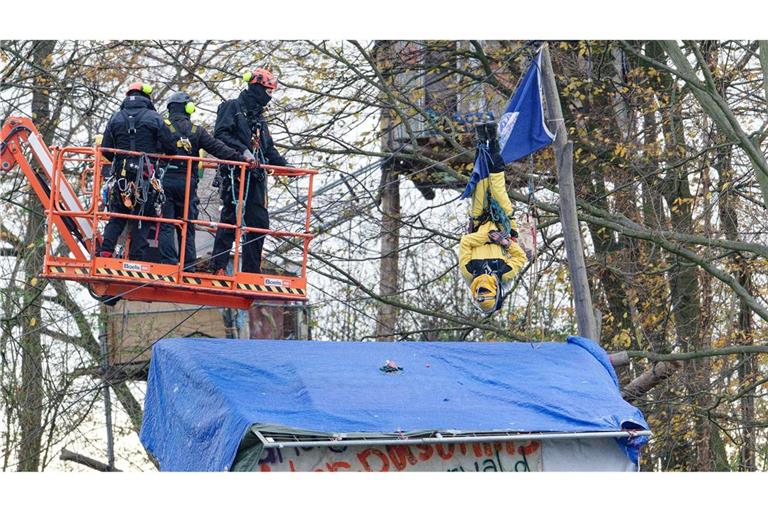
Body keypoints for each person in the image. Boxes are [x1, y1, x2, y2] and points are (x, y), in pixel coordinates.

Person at [157, 91, 253, 269]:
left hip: (166, 181)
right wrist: (242, 159)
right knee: (187, 224)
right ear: (188, 109)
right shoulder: (196, 131)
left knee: (167, 223)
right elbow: (219, 149)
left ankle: (168, 263)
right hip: (187, 184)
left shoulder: (161, 127)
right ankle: (188, 264)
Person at [208, 68, 289, 275]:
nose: (269, 97)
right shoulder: (231, 107)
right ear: (256, 88)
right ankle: (218, 266)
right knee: (230, 218)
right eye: (267, 91)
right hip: (235, 172)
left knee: (259, 221)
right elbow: (221, 135)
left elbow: (268, 148)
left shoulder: (259, 118)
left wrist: (286, 167)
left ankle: (251, 271)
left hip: (255, 176)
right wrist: (243, 152)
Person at [98, 82, 177, 261]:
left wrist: (118, 163)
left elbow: (105, 149)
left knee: (117, 215)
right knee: (143, 217)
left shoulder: (115, 118)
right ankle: (135, 258)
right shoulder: (154, 118)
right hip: (146, 176)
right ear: (146, 97)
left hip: (121, 176)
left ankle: (105, 252)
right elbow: (171, 147)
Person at [459, 122, 528, 316]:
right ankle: (494, 142)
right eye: (486, 291)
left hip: (480, 223)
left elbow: (465, 242)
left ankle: (482, 142)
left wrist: (487, 237)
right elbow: (520, 257)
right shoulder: (504, 274)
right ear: (495, 292)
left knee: (480, 184)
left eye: (480, 291)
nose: (482, 287)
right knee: (497, 185)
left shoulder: (468, 271)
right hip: (503, 223)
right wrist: (505, 242)